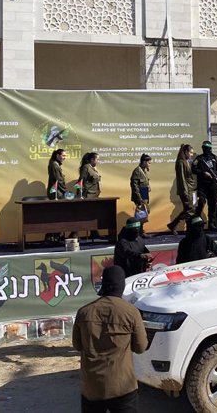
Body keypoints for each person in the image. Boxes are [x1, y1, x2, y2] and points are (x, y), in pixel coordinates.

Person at [72, 265, 147, 413]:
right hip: (122, 387)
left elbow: (77, 345)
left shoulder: (84, 312)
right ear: (121, 286)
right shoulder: (131, 312)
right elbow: (141, 347)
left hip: (92, 387)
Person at [192, 141, 217, 231]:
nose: (206, 150)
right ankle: (197, 222)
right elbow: (193, 169)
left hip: (212, 185)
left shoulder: (214, 158)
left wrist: (215, 175)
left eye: (208, 148)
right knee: (201, 202)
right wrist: (203, 173)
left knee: (212, 204)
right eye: (204, 148)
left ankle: (212, 224)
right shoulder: (199, 159)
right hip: (202, 185)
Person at [167, 144, 196, 235]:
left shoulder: (186, 161)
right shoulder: (180, 162)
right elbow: (182, 178)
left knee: (188, 210)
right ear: (186, 152)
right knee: (189, 209)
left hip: (189, 189)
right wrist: (185, 191)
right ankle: (175, 224)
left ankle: (175, 225)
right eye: (190, 152)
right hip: (185, 190)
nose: (191, 154)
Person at [46, 148, 67, 243]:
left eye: (65, 156)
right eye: (63, 155)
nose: (64, 158)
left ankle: (56, 235)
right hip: (56, 194)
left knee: (59, 215)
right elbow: (59, 180)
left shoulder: (56, 164)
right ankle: (53, 235)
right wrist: (66, 192)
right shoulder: (54, 165)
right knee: (58, 216)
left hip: (58, 193)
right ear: (57, 155)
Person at [130, 154, 152, 233]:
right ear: (144, 162)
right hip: (140, 195)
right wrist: (139, 198)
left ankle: (140, 231)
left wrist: (148, 186)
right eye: (149, 163)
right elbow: (134, 186)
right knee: (140, 214)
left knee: (144, 214)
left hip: (145, 193)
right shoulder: (137, 171)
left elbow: (146, 181)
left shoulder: (144, 170)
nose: (150, 164)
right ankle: (138, 232)